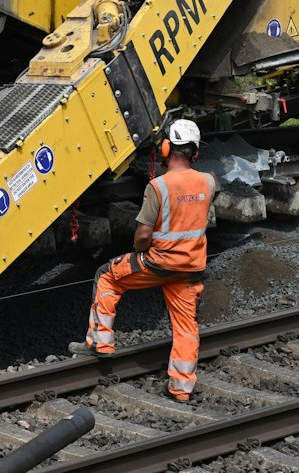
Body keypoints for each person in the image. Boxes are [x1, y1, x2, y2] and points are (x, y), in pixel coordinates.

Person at [73, 119, 214, 400]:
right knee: (186, 327)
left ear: (166, 148)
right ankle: (181, 388)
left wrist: (140, 249)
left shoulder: (159, 186)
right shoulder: (208, 182)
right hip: (191, 268)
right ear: (195, 153)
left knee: (107, 275)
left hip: (159, 263)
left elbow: (143, 234)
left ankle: (100, 342)